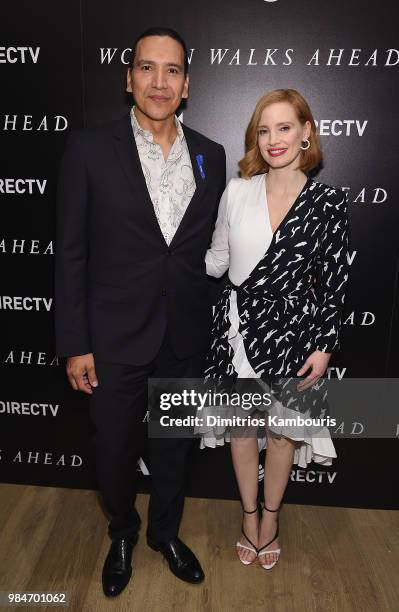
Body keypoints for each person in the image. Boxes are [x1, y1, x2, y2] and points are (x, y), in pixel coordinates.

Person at [55, 27, 226, 596]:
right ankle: (123, 532)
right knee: (113, 451)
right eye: (147, 69)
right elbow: (72, 254)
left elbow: (202, 250)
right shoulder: (88, 149)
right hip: (113, 337)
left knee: (174, 450)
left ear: (187, 84)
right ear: (129, 78)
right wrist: (76, 342)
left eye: (172, 70)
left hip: (182, 334)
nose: (159, 81)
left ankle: (165, 534)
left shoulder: (211, 155)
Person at [203, 89, 349, 570]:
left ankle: (272, 517)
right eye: (264, 130)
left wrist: (324, 346)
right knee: (243, 429)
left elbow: (333, 282)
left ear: (306, 132)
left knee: (283, 433)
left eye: (284, 127)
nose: (274, 139)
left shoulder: (327, 203)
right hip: (239, 328)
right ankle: (248, 516)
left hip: (294, 334)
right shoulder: (237, 190)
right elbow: (218, 260)